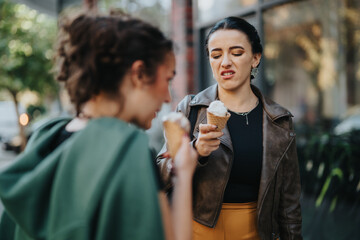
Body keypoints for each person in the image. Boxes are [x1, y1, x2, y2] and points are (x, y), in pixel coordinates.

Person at [0, 11, 197, 240]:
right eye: (167, 80)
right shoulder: (128, 151)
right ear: (139, 74)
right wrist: (183, 176)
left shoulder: (44, 142)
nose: (167, 97)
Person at [157, 16, 303, 240]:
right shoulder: (191, 109)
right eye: (216, 55)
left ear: (255, 58)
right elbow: (161, 174)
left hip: (257, 230)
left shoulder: (279, 119)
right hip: (198, 230)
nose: (225, 62)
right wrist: (196, 151)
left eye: (236, 53)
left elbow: (289, 202)